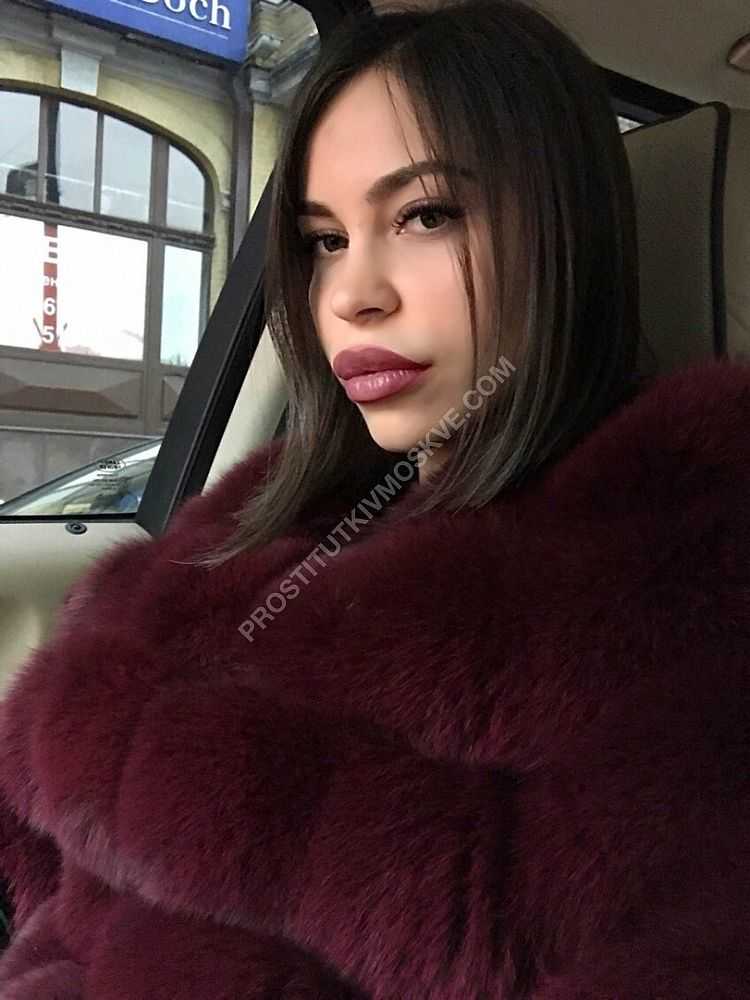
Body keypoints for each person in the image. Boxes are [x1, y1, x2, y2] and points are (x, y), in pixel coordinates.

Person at [0, 0, 747, 996]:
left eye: (425, 215)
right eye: (324, 240)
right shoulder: (261, 521)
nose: (354, 294)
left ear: (565, 227)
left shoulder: (678, 596)